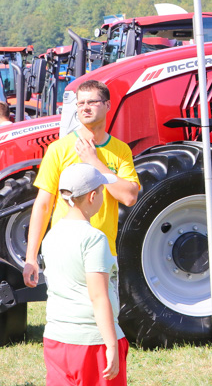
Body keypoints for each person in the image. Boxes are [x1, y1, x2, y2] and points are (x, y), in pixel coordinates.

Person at [24, 80, 140, 289]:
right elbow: (42, 205)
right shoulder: (58, 149)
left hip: (103, 252)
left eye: (92, 102)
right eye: (80, 103)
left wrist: (93, 161)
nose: (85, 107)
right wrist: (31, 258)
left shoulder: (120, 150)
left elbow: (129, 197)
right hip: (65, 250)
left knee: (105, 314)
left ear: (107, 105)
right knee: (66, 317)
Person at [42, 163, 128, 385]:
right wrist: (111, 345)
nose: (102, 195)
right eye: (101, 191)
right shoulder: (94, 239)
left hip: (56, 338)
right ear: (92, 196)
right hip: (92, 342)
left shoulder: (51, 236)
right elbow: (98, 297)